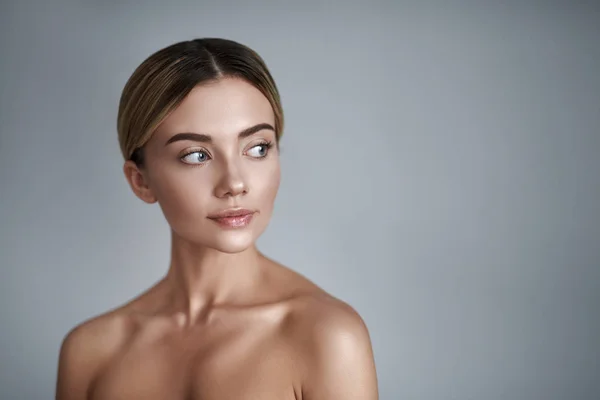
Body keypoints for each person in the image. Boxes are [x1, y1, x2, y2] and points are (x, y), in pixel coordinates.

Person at [55, 37, 378, 400]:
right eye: (196, 155)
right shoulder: (89, 352)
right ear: (141, 181)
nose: (235, 183)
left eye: (257, 148)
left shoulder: (327, 336)